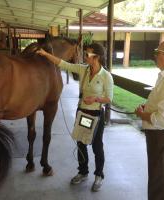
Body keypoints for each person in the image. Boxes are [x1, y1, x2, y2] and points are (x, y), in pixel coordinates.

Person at [37, 43, 113, 192]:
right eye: (85, 54)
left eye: (88, 55)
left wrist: (95, 99)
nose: (85, 57)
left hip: (96, 115)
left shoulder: (106, 76)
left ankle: (99, 175)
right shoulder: (83, 69)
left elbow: (109, 98)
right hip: (83, 113)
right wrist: (46, 55)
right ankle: (83, 172)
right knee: (81, 143)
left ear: (96, 57)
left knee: (97, 146)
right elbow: (63, 63)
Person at [135, 36, 164, 200]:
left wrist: (142, 114)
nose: (155, 55)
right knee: (161, 182)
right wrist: (148, 108)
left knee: (162, 188)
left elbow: (163, 120)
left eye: (157, 52)